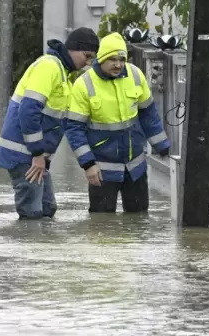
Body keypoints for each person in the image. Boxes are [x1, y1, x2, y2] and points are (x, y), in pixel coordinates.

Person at [0, 28, 99, 219]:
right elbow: (28, 110)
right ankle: (29, 245)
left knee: (47, 210)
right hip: (25, 156)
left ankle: (42, 246)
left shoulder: (63, 74)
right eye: (87, 56)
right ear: (73, 49)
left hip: (34, 158)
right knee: (32, 214)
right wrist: (37, 155)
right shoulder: (49, 67)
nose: (87, 63)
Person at [64, 32, 171, 213]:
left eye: (121, 59)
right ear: (102, 59)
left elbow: (148, 114)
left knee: (138, 223)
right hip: (101, 170)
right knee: (102, 227)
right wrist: (88, 165)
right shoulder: (84, 84)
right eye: (112, 59)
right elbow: (74, 129)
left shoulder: (135, 75)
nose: (118, 64)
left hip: (135, 167)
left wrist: (162, 146)